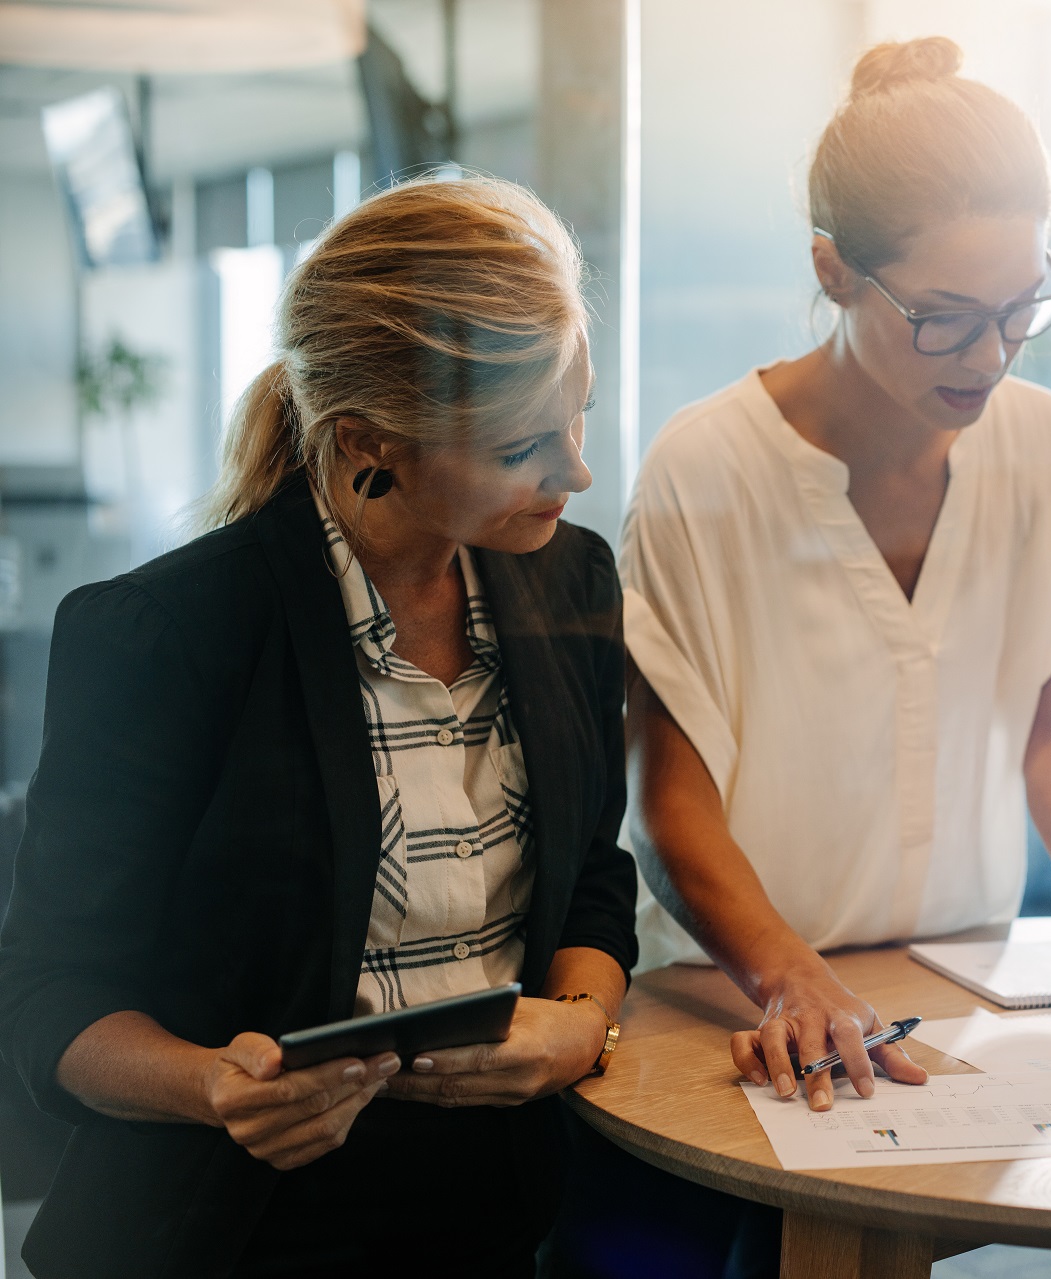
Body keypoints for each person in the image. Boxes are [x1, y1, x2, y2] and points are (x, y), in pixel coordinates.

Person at [0, 176, 638, 1278]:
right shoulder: (172, 634)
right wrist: (211, 1084)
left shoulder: (567, 577)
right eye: (524, 444)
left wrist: (582, 1020)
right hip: (227, 1233)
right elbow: (50, 993)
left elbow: (591, 880)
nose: (575, 471)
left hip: (497, 1215)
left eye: (578, 417)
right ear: (368, 441)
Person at [622, 36, 1051, 1114]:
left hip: (952, 982)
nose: (989, 357)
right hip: (736, 985)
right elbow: (669, 801)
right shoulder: (705, 466)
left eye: (1021, 307)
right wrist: (785, 972)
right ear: (832, 268)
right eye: (943, 316)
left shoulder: (1037, 444)